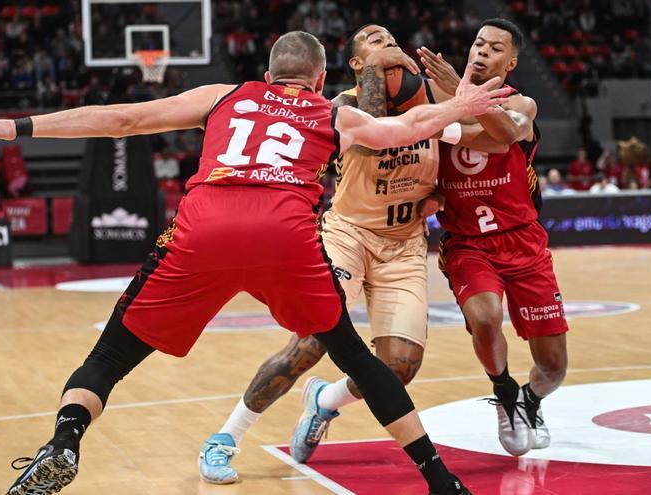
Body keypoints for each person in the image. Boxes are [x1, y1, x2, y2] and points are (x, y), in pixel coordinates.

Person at [0, 31, 510, 495]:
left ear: (267, 77)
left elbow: (123, 120)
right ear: (318, 79)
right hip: (283, 235)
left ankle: (65, 442)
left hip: (205, 226)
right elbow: (405, 129)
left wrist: (18, 126)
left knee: (110, 357)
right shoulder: (327, 109)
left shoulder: (224, 94)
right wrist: (460, 106)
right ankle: (441, 481)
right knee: (360, 361)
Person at [196, 24, 505, 483]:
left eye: (391, 39)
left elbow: (487, 146)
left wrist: (438, 193)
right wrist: (383, 70)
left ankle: (325, 400)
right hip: (347, 236)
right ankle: (224, 438)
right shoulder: (337, 108)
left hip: (403, 246)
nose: (388, 42)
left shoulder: (433, 110)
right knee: (311, 341)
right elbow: (378, 124)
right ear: (356, 65)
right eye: (373, 42)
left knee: (400, 365)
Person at [436, 18, 569, 458]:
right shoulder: (436, 98)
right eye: (478, 43)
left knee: (553, 366)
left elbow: (506, 135)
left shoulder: (522, 104)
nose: (482, 51)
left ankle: (531, 402)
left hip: (522, 241)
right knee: (486, 315)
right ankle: (506, 394)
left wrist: (456, 112)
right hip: (468, 243)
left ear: (509, 63)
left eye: (494, 48)